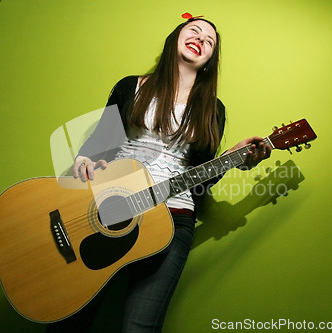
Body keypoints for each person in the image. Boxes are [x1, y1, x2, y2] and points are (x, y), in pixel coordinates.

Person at [48, 14, 271, 332]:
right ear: (175, 39)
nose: (201, 39)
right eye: (194, 31)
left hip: (173, 220)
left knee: (138, 326)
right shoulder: (131, 86)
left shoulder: (212, 110)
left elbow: (199, 181)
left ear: (210, 60)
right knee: (70, 321)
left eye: (209, 42)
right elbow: (103, 142)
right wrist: (85, 159)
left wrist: (234, 158)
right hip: (110, 208)